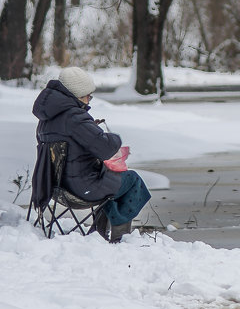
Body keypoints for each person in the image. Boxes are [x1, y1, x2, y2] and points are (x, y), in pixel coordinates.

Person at [32, 66, 151, 243]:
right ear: (77, 95)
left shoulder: (46, 119)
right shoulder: (75, 117)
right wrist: (113, 137)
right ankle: (121, 237)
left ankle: (99, 232)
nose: (89, 100)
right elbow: (106, 148)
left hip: (55, 186)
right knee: (132, 180)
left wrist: (90, 130)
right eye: (88, 95)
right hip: (82, 187)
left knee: (111, 181)